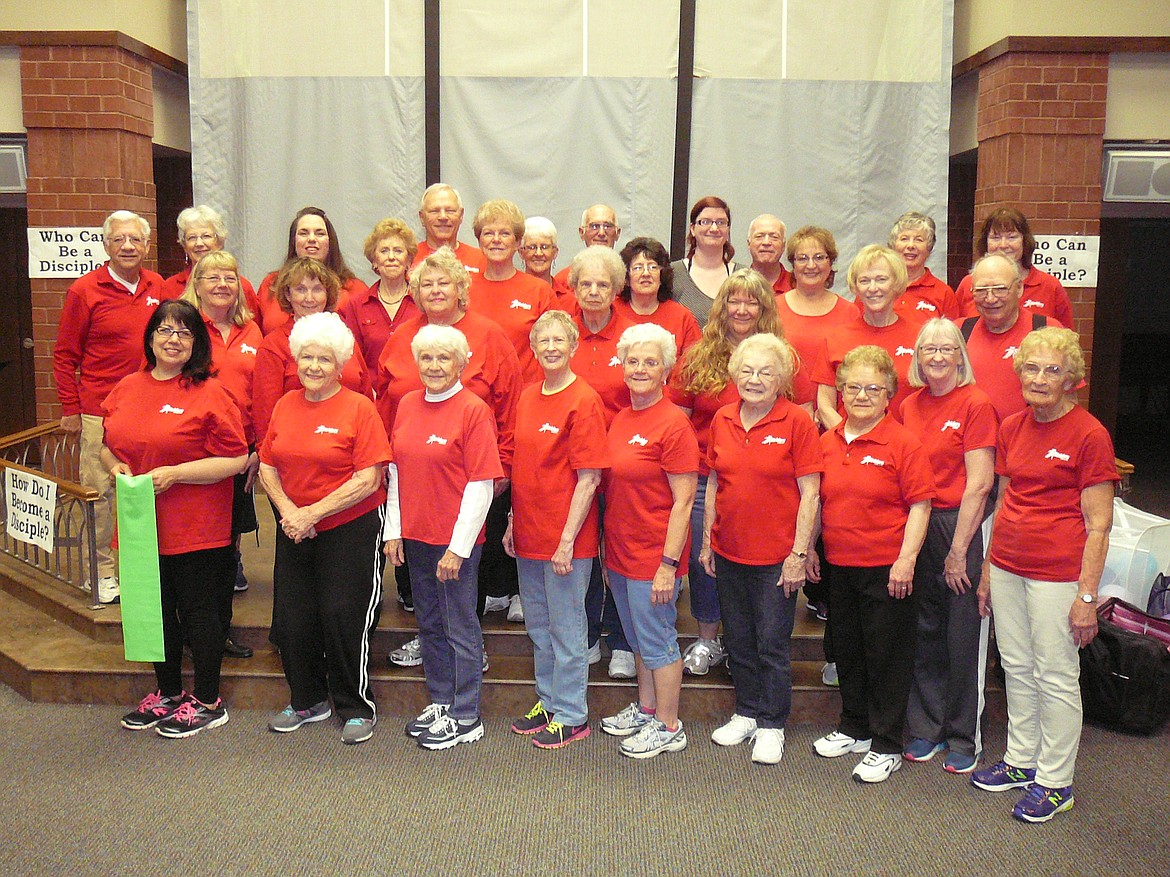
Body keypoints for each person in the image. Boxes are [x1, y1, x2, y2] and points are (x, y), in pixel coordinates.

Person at [972, 327, 1118, 823]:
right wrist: (989, 570)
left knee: (1055, 674)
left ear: (1071, 380)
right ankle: (1020, 760)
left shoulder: (1090, 434)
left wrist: (1087, 595)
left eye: (1052, 370)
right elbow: (1007, 501)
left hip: (1059, 574)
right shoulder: (1012, 426)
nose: (1039, 378)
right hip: (1009, 563)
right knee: (1016, 666)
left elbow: (1099, 524)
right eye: (1031, 368)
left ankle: (1055, 782)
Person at [105, 299, 248, 737]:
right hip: (139, 524)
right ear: (150, 338)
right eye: (165, 331)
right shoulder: (128, 386)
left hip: (197, 527)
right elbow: (108, 444)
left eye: (183, 333)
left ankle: (207, 700)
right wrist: (114, 466)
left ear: (196, 343)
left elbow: (237, 458)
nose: (172, 340)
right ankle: (166, 693)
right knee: (156, 611)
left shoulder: (210, 391)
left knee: (200, 614)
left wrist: (178, 474)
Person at [377, 248, 522, 666]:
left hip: (474, 475)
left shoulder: (489, 335)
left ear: (462, 289)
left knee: (460, 572)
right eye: (427, 283)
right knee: (421, 569)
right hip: (414, 475)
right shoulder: (403, 335)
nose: (436, 290)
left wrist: (505, 467)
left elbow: (510, 404)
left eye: (445, 282)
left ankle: (467, 648)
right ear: (415, 293)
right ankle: (433, 641)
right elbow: (388, 402)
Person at [259, 312, 390, 745]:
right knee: (294, 619)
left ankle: (355, 705)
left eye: (324, 359)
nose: (314, 366)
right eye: (307, 358)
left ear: (341, 365)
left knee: (341, 614)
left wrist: (311, 514)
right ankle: (307, 700)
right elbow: (267, 466)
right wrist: (291, 514)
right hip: (293, 524)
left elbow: (369, 478)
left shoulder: (359, 407)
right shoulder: (284, 405)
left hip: (348, 526)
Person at [809, 346, 935, 783]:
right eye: (853, 387)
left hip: (887, 567)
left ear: (889, 396)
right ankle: (855, 727)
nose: (861, 395)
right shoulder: (826, 442)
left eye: (873, 389)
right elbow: (817, 502)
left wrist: (906, 560)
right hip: (839, 564)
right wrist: (808, 549)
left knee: (887, 656)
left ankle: (886, 744)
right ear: (840, 392)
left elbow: (920, 506)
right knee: (847, 649)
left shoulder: (903, 443)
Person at [698, 333, 821, 765]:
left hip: (776, 558)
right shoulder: (723, 419)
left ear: (781, 379)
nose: (754, 379)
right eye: (747, 371)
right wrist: (707, 539)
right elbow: (714, 479)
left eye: (765, 372)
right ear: (735, 376)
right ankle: (746, 712)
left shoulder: (797, 422)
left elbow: (811, 493)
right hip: (729, 550)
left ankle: (772, 724)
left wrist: (799, 554)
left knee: (771, 643)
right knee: (741, 640)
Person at [384, 325, 504, 750]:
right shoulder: (407, 405)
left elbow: (481, 484)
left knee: (460, 627)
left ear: (461, 364)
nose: (434, 366)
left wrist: (458, 547)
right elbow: (396, 470)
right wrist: (393, 530)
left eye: (444, 359)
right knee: (430, 624)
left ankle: (467, 714)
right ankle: (441, 701)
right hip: (415, 536)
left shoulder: (473, 410)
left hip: (454, 543)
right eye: (427, 358)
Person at [53, 209, 171, 604]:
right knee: (100, 493)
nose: (127, 246)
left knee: (143, 489)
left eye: (135, 240)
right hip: (98, 411)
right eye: (119, 239)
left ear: (147, 246)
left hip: (148, 407)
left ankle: (138, 568)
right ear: (106, 245)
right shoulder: (84, 291)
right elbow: (64, 355)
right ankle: (99, 572)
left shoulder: (158, 286)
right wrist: (71, 407)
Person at [671, 268, 785, 676]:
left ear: (764, 308)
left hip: (768, 480)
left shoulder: (783, 356)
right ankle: (706, 638)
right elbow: (679, 418)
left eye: (751, 301)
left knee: (756, 560)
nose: (742, 309)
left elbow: (801, 417)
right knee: (707, 559)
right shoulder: (700, 355)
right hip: (706, 475)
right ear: (721, 307)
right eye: (733, 301)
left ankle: (748, 644)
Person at [504, 310, 609, 749]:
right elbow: (522, 466)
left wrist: (567, 540)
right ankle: (548, 702)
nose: (549, 347)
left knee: (568, 630)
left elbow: (589, 478)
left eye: (558, 340)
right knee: (539, 626)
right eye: (541, 340)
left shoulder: (583, 399)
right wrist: (513, 520)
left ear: (573, 347)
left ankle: (572, 713)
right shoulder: (528, 396)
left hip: (567, 540)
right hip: (528, 533)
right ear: (533, 349)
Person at [900, 319, 997, 774]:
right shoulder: (910, 405)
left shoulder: (976, 404)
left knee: (962, 636)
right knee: (925, 629)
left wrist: (959, 551)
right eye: (928, 349)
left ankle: (963, 735)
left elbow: (979, 485)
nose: (937, 356)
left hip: (960, 525)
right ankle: (927, 727)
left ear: (961, 355)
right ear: (917, 357)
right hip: (919, 523)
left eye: (946, 348)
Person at [599, 323, 699, 759]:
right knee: (639, 639)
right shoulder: (622, 417)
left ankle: (668, 724)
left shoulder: (674, 423)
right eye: (633, 361)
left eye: (650, 362)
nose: (640, 369)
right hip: (620, 553)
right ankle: (645, 709)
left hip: (654, 556)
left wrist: (668, 563)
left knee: (658, 641)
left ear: (666, 372)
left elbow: (684, 501)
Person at [180, 250, 262, 658]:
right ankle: (192, 632)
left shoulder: (252, 332)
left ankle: (218, 632)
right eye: (212, 277)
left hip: (240, 450)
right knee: (198, 550)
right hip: (197, 454)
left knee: (227, 547)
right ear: (196, 283)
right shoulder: (186, 330)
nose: (221, 284)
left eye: (229, 277)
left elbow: (263, 394)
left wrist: (259, 449)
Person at [568, 245, 637, 678]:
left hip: (623, 467)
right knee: (581, 554)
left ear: (616, 289)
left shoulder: (634, 335)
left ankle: (624, 641)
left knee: (622, 555)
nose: (594, 292)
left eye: (603, 285)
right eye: (586, 284)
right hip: (573, 470)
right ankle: (588, 634)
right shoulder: (561, 335)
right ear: (573, 289)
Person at [252, 257, 373, 449]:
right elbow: (265, 417)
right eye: (300, 289)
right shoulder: (273, 346)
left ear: (328, 294)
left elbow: (366, 399)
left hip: (350, 450)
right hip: (298, 453)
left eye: (317, 289)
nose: (309, 298)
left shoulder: (343, 338)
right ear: (288, 294)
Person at [813, 244, 923, 429]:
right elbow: (825, 406)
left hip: (905, 449)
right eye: (864, 281)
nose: (873, 288)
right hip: (848, 449)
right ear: (855, 286)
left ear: (896, 283)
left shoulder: (920, 337)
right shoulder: (835, 339)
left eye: (881, 279)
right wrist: (852, 440)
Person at [959, 253, 1064, 422]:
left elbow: (1068, 401)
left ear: (1019, 288)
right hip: (970, 444)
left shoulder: (1048, 331)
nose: (990, 299)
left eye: (1000, 289)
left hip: (1028, 443)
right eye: (981, 290)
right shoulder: (959, 332)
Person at [468, 199, 556, 384]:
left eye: (505, 233)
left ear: (517, 243)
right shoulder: (463, 290)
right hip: (476, 396)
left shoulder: (540, 291)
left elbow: (554, 349)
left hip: (526, 398)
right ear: (479, 241)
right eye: (488, 233)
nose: (496, 240)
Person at [774, 226, 856, 418]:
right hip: (782, 418)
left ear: (831, 262)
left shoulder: (850, 312)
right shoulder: (773, 309)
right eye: (802, 258)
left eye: (819, 257)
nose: (811, 265)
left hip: (838, 419)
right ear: (792, 265)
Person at [955, 208, 1074, 328]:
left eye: (1011, 237)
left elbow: (1066, 340)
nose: (1003, 245)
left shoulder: (1050, 286)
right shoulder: (968, 284)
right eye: (995, 238)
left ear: (1025, 241)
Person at [255, 207, 366, 334]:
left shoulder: (355, 289)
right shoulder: (271, 285)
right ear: (293, 241)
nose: (312, 239)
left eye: (320, 233)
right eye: (304, 233)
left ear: (330, 241)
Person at [338, 218, 420, 369]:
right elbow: (352, 360)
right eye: (384, 251)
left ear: (408, 260)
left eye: (398, 250)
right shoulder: (356, 307)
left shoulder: (423, 302)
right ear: (374, 260)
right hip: (370, 392)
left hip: (415, 390)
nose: (391, 257)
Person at [162, 205, 261, 321]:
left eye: (206, 236)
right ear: (184, 246)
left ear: (219, 241)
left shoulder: (240, 286)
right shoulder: (169, 287)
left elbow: (253, 326)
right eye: (192, 238)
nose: (199, 243)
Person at [614, 236, 701, 357]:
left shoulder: (681, 317)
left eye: (652, 267)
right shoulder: (611, 311)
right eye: (638, 268)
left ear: (662, 275)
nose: (645, 273)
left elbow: (696, 365)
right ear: (626, 277)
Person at [672, 196, 748, 326]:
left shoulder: (744, 275)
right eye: (705, 222)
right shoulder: (673, 274)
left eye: (721, 222)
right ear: (692, 228)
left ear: (728, 229)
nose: (714, 228)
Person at [886, 212, 959, 320]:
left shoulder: (943, 293)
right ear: (893, 245)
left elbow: (951, 335)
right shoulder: (875, 287)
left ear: (929, 248)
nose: (911, 245)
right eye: (904, 239)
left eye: (918, 240)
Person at [414, 183, 487, 273]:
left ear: (461, 215)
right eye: (434, 211)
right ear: (422, 217)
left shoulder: (481, 260)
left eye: (450, 211)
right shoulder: (408, 259)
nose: (443, 217)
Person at [551, 203, 622, 291]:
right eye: (594, 226)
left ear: (617, 233)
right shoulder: (565, 280)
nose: (601, 233)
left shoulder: (627, 282)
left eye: (607, 226)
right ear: (582, 232)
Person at [520, 216, 574, 305]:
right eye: (532, 247)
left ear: (555, 252)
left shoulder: (569, 301)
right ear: (521, 252)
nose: (538, 253)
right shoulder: (511, 294)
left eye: (544, 247)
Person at [747, 214, 794, 294]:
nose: (766, 242)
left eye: (774, 237)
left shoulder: (797, 286)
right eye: (759, 236)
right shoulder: (735, 286)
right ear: (749, 244)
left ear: (783, 246)